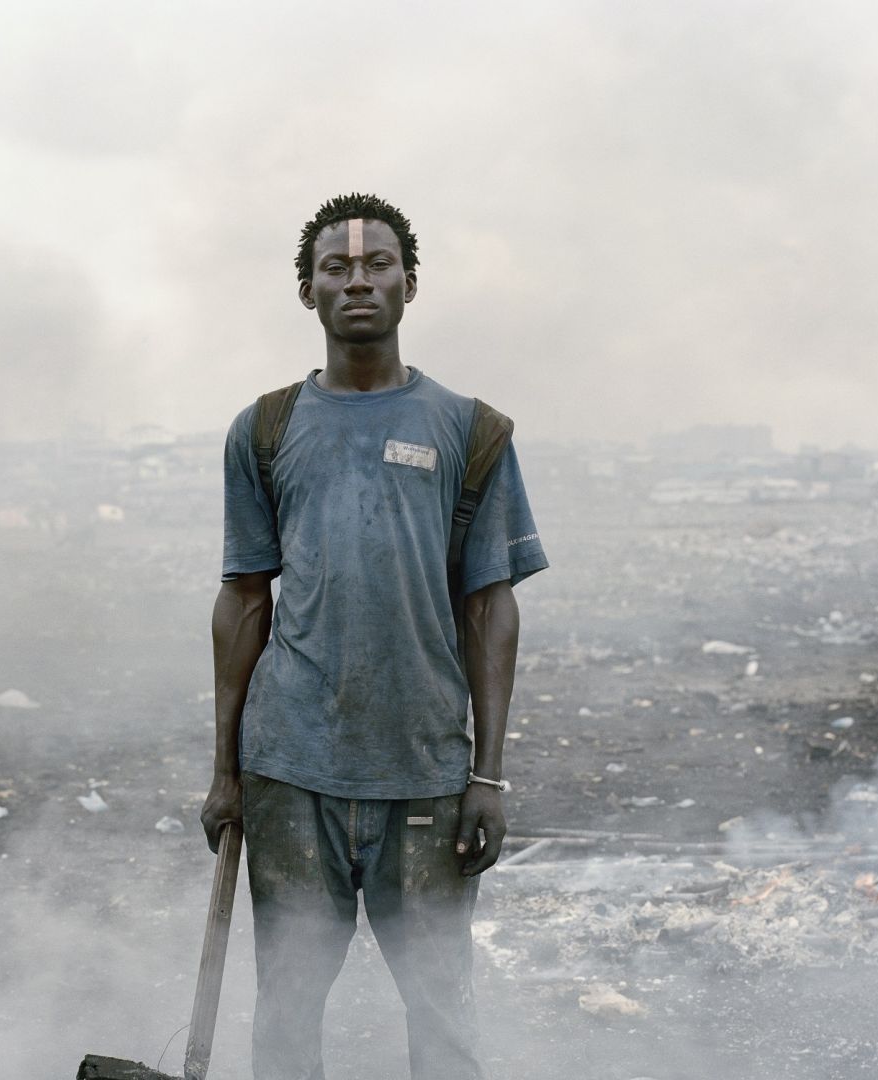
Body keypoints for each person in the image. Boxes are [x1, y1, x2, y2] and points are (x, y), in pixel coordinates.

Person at [200, 192, 548, 1080]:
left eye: (378, 264)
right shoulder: (267, 429)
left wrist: (488, 775)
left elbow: (489, 607)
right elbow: (244, 598)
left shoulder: (472, 432)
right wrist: (225, 772)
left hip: (426, 769)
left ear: (411, 283)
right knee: (285, 1011)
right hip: (291, 770)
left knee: (442, 1016)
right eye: (337, 267)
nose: (358, 279)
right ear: (308, 292)